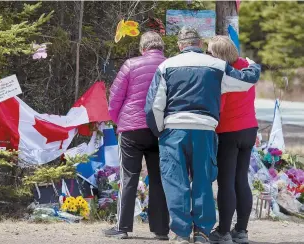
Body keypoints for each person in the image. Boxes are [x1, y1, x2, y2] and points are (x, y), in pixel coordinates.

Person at [145, 27, 261, 244]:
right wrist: (254, 65)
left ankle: (181, 233)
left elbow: (154, 106)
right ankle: (202, 232)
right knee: (203, 182)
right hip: (205, 129)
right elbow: (246, 80)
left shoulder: (165, 66)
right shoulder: (217, 65)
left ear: (180, 45)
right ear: (199, 44)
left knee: (176, 182)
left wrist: (160, 131)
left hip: (174, 130)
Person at [104, 31, 169, 240]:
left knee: (129, 177)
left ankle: (122, 227)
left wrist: (119, 120)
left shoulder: (131, 64)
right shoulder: (170, 65)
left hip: (131, 128)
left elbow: (115, 97)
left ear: (143, 48)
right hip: (160, 128)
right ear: (161, 48)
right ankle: (161, 229)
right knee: (158, 179)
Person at [207, 36, 258, 244]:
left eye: (210, 52)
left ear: (218, 54)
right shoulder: (247, 67)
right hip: (250, 129)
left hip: (229, 131)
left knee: (226, 182)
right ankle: (241, 231)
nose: (208, 56)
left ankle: (223, 232)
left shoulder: (224, 74)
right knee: (241, 180)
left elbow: (219, 106)